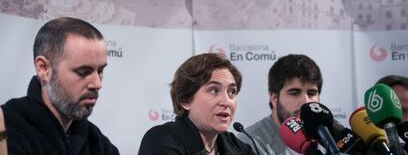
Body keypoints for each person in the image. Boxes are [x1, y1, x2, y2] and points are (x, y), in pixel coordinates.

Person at [1, 17, 119, 154]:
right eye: (83, 72)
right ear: (43, 68)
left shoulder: (99, 144)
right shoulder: (7, 130)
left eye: (100, 71)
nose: (97, 84)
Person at [138, 53, 255, 155]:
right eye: (214, 90)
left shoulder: (237, 147)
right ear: (185, 100)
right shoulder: (161, 141)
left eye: (232, 92)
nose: (226, 102)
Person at [237, 54, 323, 155]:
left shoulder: (326, 136)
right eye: (294, 93)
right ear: (274, 98)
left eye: (311, 93)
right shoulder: (248, 142)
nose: (306, 102)